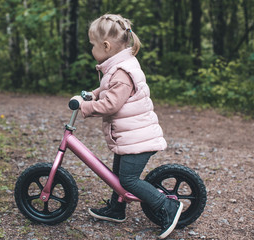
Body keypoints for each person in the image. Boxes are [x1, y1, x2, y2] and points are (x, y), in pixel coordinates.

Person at [70, 14, 183, 239]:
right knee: (117, 174)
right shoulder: (119, 65)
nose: (91, 49)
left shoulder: (122, 71)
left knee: (128, 180)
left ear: (106, 45)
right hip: (129, 136)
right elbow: (108, 89)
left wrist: (86, 107)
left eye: (92, 45)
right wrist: (93, 93)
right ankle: (116, 209)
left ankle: (168, 207)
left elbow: (112, 104)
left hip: (138, 137)